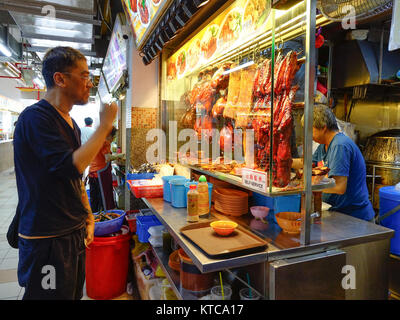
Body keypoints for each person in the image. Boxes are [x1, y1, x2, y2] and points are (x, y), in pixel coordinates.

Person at [13, 46, 118, 299]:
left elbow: (75, 177)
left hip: (71, 233)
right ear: (60, 79)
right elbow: (72, 165)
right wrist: (105, 126)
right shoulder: (36, 119)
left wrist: (88, 217)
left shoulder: (68, 121)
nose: (89, 83)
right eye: (84, 76)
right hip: (46, 239)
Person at [293, 104, 374, 222]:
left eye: (310, 130)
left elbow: (339, 187)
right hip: (338, 214)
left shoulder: (339, 145)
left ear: (323, 127)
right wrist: (285, 162)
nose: (308, 135)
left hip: (355, 219)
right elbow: (308, 163)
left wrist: (308, 187)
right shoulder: (323, 145)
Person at [88, 126, 125, 213]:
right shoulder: (105, 142)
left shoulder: (96, 140)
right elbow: (107, 158)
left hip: (92, 174)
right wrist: (120, 155)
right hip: (100, 175)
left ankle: (95, 220)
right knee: (104, 200)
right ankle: (105, 220)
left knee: (95, 201)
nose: (113, 139)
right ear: (109, 136)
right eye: (113, 137)